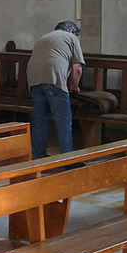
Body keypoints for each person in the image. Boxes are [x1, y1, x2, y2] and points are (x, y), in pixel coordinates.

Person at [26, 20, 84, 159]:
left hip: (34, 79)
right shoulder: (71, 38)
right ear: (71, 31)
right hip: (54, 79)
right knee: (63, 120)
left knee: (39, 120)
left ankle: (38, 156)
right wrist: (74, 86)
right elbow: (77, 69)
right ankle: (67, 159)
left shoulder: (44, 37)